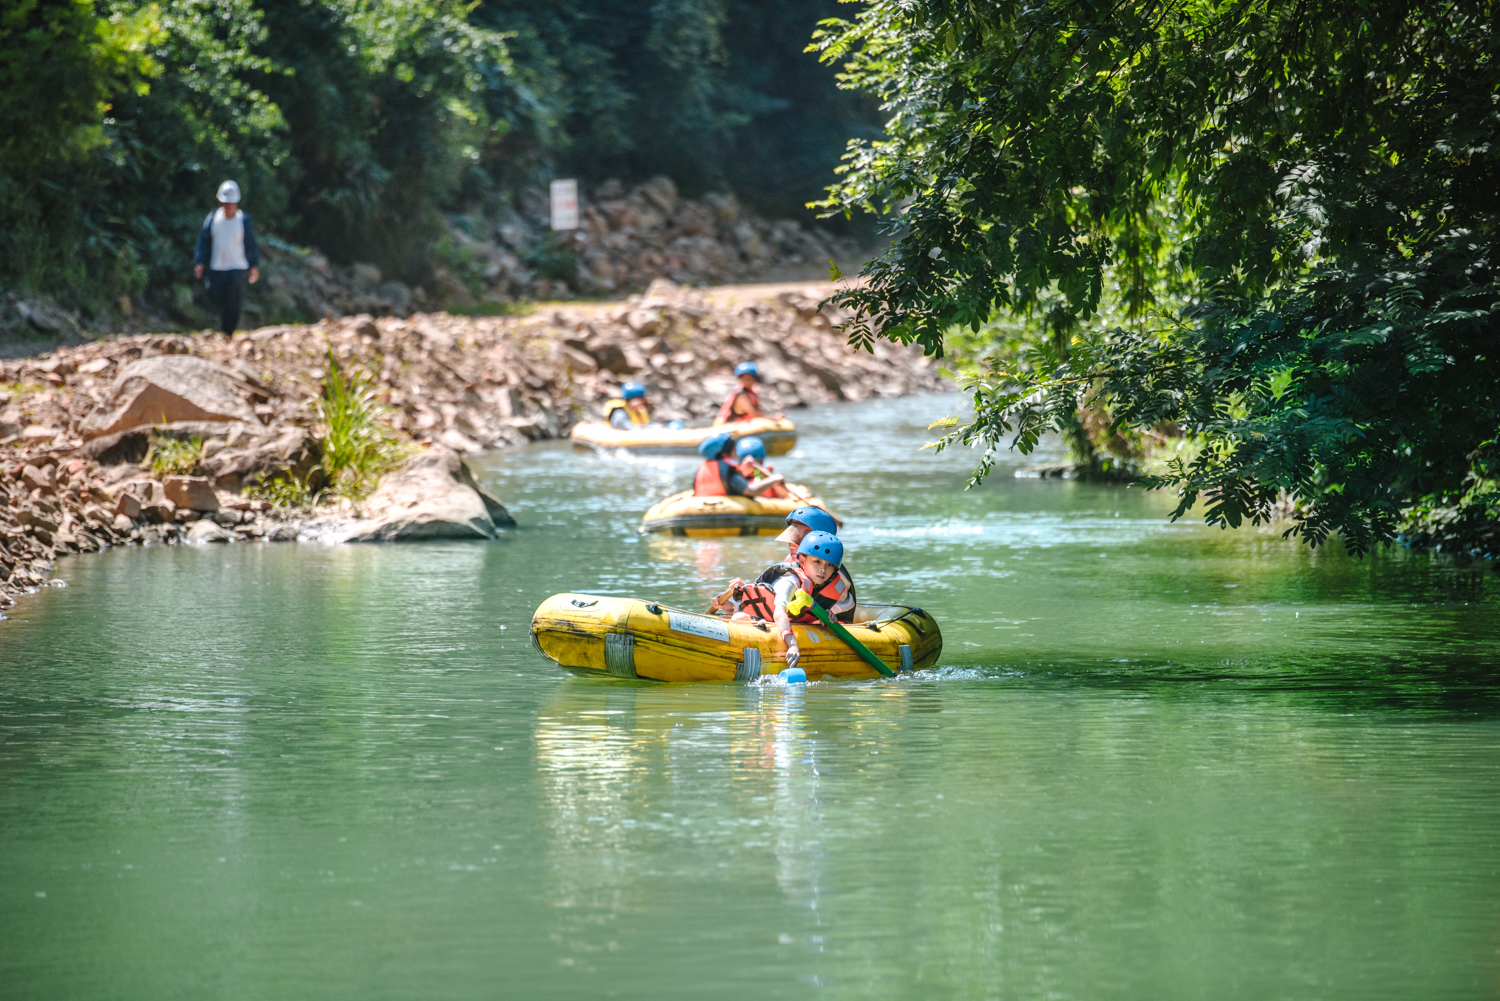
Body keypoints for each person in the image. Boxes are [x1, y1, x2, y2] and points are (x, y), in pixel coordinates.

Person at [710, 506, 859, 623]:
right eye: (792, 535)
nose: (792, 544)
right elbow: (772, 600)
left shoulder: (834, 576)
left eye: (800, 538)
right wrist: (739, 600)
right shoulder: (790, 564)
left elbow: (812, 612)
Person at [726, 531, 850, 669]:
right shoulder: (790, 581)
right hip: (766, 620)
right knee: (738, 618)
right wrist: (792, 645)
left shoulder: (826, 586)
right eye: (817, 561)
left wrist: (825, 616)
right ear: (802, 561)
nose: (823, 569)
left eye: (830, 565)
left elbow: (808, 613)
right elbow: (779, 613)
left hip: (793, 623)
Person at [193, 180, 260, 335]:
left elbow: (250, 244)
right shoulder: (212, 219)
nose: (228, 206)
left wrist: (253, 266)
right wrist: (200, 262)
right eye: (226, 203)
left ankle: (228, 332)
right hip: (217, 266)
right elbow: (204, 242)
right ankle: (221, 328)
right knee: (216, 298)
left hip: (236, 266)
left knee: (233, 302)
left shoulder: (243, 220)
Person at [693, 431, 785, 497]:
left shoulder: (701, 469)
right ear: (725, 454)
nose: (737, 454)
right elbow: (751, 490)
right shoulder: (728, 471)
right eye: (734, 450)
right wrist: (774, 479)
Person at [714, 361, 781, 425]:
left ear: (755, 379)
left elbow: (758, 411)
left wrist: (773, 417)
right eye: (743, 378)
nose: (745, 381)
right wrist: (772, 419)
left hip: (740, 424)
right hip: (725, 425)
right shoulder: (741, 396)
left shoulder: (753, 392)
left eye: (749, 379)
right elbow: (754, 415)